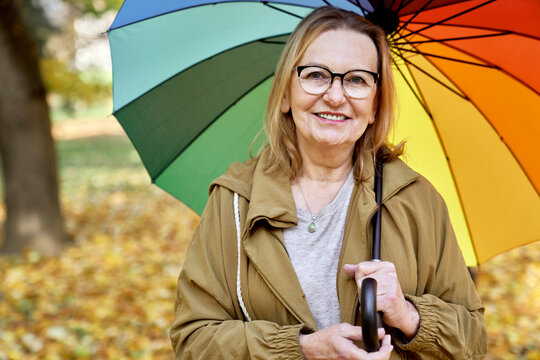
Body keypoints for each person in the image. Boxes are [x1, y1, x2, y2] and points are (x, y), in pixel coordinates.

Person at [170, 6, 487, 359]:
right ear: (286, 94)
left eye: (357, 80)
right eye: (317, 75)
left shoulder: (416, 200)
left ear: (376, 105)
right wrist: (301, 349)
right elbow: (193, 340)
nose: (336, 96)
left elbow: (472, 340)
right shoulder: (234, 201)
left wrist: (407, 314)